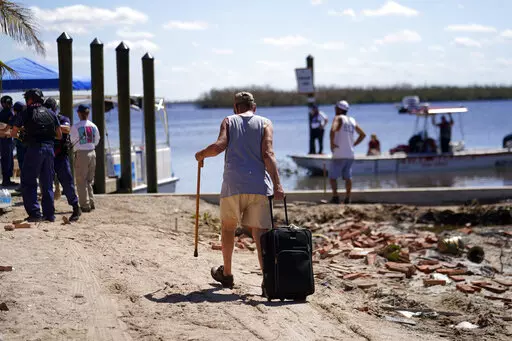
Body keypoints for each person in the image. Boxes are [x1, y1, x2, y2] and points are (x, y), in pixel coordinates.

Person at [195, 91, 285, 290]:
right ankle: (267, 280)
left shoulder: (229, 120)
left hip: (233, 184)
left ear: (236, 107)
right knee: (260, 233)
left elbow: (219, 146)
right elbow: (268, 154)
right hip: (259, 185)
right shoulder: (265, 123)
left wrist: (201, 155)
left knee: (228, 228)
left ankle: (227, 274)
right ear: (254, 107)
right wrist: (278, 184)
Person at [11, 89, 62, 222]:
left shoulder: (26, 112)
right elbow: (59, 135)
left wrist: (23, 136)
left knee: (28, 181)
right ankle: (49, 215)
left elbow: (13, 132)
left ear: (30, 99)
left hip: (34, 149)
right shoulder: (51, 112)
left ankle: (35, 214)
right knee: (47, 182)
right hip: (49, 150)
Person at [44, 98, 81, 222]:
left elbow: (66, 129)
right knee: (46, 184)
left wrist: (49, 128)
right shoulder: (42, 119)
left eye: (51, 107)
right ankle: (49, 211)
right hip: (47, 156)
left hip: (60, 156)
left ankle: (76, 207)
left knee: (67, 182)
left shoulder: (62, 118)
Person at [329, 100, 366, 204]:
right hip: (350, 153)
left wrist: (332, 143)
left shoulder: (338, 118)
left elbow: (333, 129)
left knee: (332, 177)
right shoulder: (352, 120)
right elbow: (362, 134)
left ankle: (335, 197)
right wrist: (353, 144)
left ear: (339, 109)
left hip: (339, 153)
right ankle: (348, 198)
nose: (334, 109)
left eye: (336, 108)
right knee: (348, 177)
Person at [70, 104, 100, 213]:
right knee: (89, 180)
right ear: (88, 113)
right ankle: (91, 202)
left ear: (79, 113)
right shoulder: (93, 126)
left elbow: (72, 140)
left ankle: (85, 205)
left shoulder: (76, 126)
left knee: (80, 180)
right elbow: (97, 140)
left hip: (82, 153)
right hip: (92, 152)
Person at [0, 96, 17, 187]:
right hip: (5, 138)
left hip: (7, 138)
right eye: (8, 102)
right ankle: (6, 180)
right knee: (7, 159)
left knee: (8, 159)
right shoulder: (5, 113)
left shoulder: (5, 112)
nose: (9, 104)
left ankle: (7, 179)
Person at [11, 101, 26, 192]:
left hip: (21, 146)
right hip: (28, 145)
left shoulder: (16, 118)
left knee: (22, 165)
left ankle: (23, 185)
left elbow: (14, 132)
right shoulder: (27, 116)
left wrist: (19, 136)